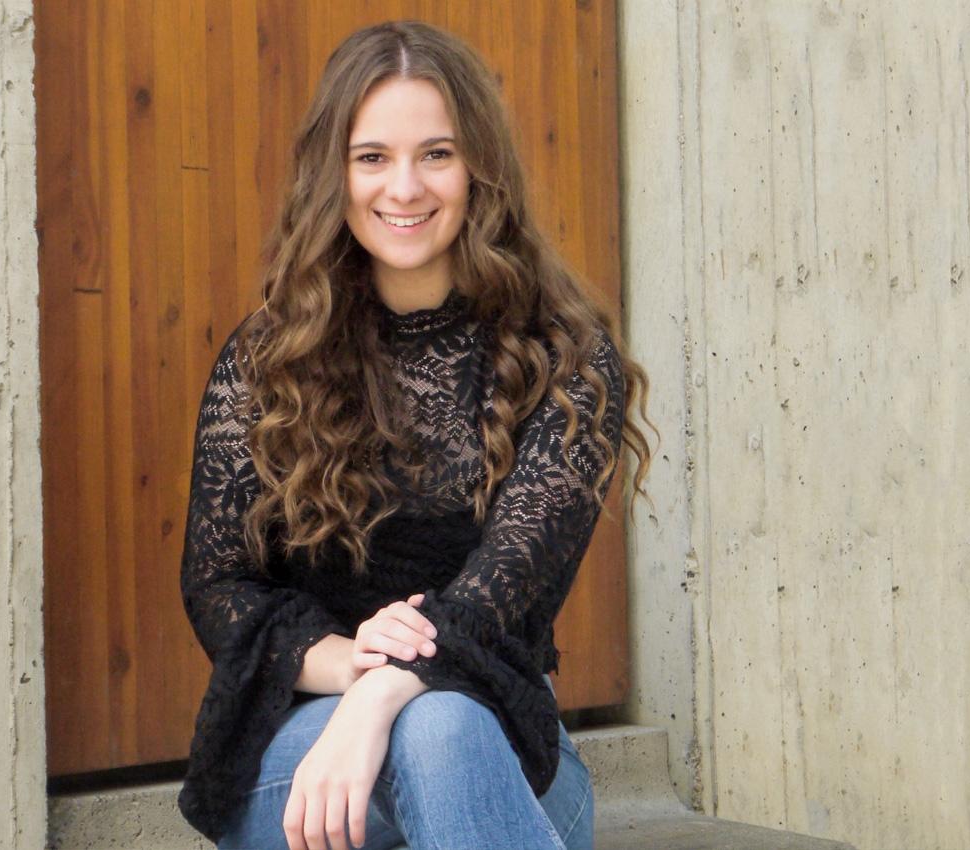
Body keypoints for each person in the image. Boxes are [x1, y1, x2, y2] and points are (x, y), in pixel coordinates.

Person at [175, 20, 655, 850]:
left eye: (436, 153)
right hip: (307, 754)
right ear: (336, 173)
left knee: (439, 729)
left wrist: (383, 698)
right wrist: (347, 671)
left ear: (480, 170)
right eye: (372, 157)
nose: (404, 187)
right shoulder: (266, 358)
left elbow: (497, 595)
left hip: (498, 747)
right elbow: (219, 587)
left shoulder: (567, 363)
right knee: (424, 724)